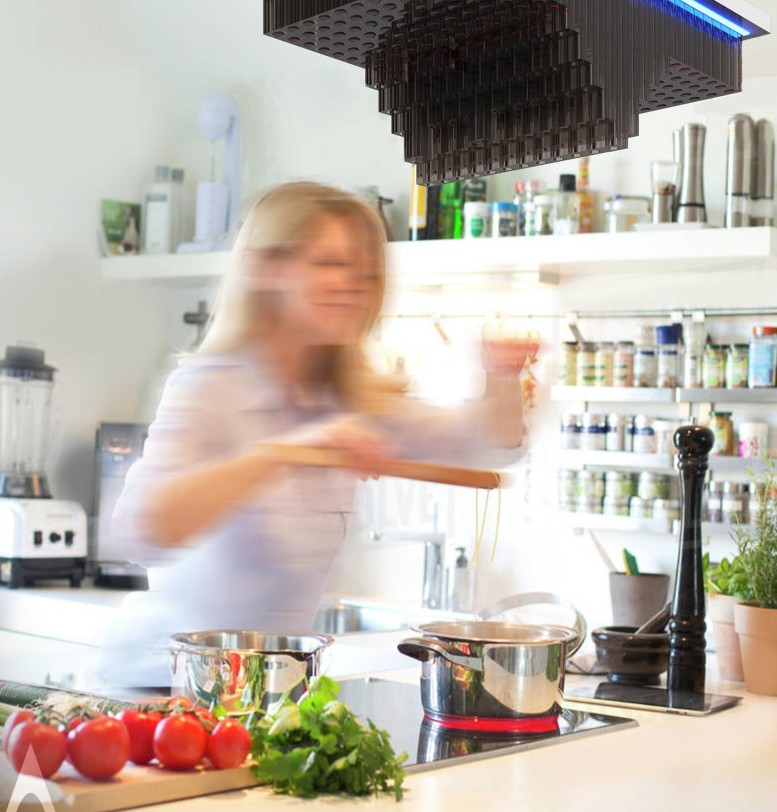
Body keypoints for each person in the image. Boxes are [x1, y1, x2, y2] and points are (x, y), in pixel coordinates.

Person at [102, 181, 529, 689]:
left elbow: (489, 444)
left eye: (364, 270)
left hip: (268, 693)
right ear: (267, 269)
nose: (353, 282)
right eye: (329, 263)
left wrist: (502, 374)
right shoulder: (208, 387)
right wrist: (286, 454)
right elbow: (139, 531)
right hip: (163, 689)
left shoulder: (348, 400)